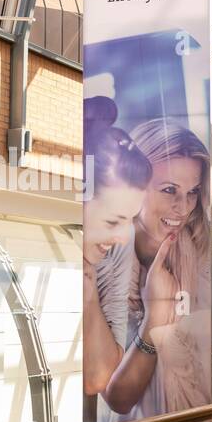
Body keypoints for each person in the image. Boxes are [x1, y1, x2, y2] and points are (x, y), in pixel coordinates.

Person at [100, 119, 212, 422]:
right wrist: (156, 319)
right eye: (169, 190)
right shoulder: (105, 258)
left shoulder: (198, 257)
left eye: (193, 192)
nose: (183, 208)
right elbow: (117, 397)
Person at [81, 97, 152, 402]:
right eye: (112, 221)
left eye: (129, 220)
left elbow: (99, 376)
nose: (124, 237)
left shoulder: (116, 250)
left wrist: (87, 283)